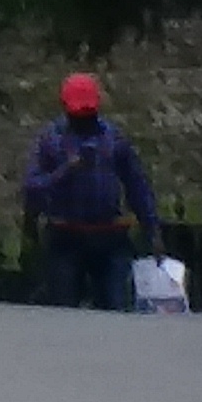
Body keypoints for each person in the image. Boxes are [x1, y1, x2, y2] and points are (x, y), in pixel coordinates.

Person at [22, 73, 160, 311]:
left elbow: (137, 185)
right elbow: (33, 186)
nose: (84, 120)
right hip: (66, 237)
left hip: (109, 237)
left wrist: (152, 229)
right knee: (63, 311)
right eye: (79, 115)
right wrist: (66, 170)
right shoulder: (51, 139)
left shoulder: (114, 138)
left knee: (116, 309)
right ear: (66, 108)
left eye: (89, 114)